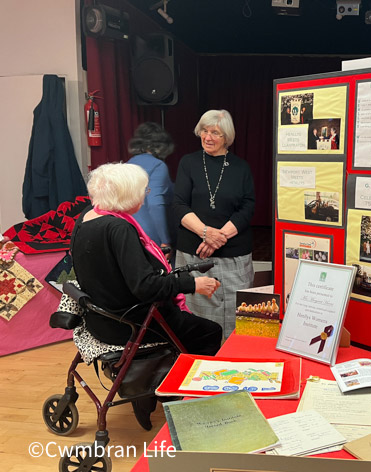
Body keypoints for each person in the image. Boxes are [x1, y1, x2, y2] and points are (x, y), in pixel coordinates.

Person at [70, 163, 223, 429]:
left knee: (192, 327)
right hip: (130, 324)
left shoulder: (86, 218)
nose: (145, 195)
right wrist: (192, 284)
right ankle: (182, 396)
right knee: (209, 331)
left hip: (101, 319)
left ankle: (156, 389)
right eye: (144, 190)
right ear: (128, 195)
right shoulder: (119, 230)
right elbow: (146, 287)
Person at [173, 109, 255, 339]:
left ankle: (234, 360)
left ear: (226, 137)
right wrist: (206, 233)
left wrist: (220, 237)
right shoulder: (188, 163)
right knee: (197, 314)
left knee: (236, 313)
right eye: (204, 131)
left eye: (215, 133)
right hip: (193, 255)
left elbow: (248, 207)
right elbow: (179, 204)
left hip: (234, 254)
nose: (208, 137)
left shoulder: (241, 168)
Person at [126, 122, 175, 258]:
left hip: (129, 234)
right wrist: (165, 241)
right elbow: (155, 204)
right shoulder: (158, 166)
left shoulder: (128, 165)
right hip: (152, 237)